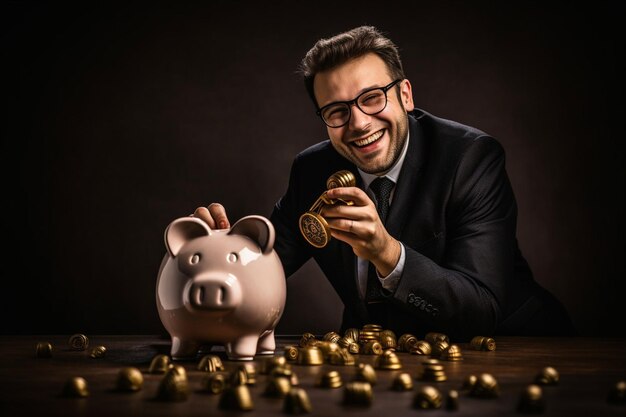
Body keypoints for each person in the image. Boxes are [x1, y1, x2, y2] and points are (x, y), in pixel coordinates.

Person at [194, 25, 576, 339]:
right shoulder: (311, 169)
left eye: (373, 98)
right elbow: (267, 262)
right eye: (337, 111)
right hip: (386, 362)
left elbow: (481, 310)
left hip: (515, 348)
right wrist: (218, 254)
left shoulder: (471, 158)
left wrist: (386, 253)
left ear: (405, 95)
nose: (359, 123)